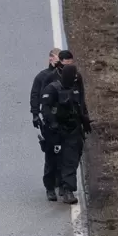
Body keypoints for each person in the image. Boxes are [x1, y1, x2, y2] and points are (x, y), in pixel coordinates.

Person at [40, 65, 92, 204]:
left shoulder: (75, 89)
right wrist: (52, 123)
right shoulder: (52, 89)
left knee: (71, 160)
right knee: (53, 160)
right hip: (55, 131)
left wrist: (85, 120)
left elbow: (80, 105)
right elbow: (45, 108)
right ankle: (50, 187)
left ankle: (68, 189)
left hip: (73, 130)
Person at [30, 48, 62, 200]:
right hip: (48, 121)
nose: (59, 61)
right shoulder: (42, 76)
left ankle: (62, 183)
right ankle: (50, 186)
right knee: (51, 153)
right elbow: (35, 95)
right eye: (56, 58)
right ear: (50, 59)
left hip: (63, 121)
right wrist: (35, 114)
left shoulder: (65, 76)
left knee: (65, 153)